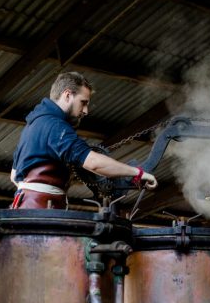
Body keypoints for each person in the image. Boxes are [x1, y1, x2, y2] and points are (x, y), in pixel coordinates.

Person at [10, 71, 157, 209]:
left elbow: (14, 176)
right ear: (67, 95)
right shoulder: (55, 126)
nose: (86, 110)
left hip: (25, 206)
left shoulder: (32, 126)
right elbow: (93, 163)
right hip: (41, 211)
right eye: (83, 102)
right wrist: (137, 173)